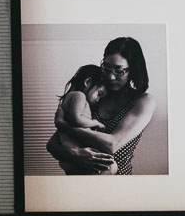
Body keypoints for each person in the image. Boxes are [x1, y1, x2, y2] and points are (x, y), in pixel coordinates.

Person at [46, 37, 158, 175]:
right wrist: (75, 153)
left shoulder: (143, 101)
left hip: (118, 184)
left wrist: (64, 126)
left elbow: (112, 144)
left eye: (119, 71)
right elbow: (52, 145)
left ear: (133, 70)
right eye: (106, 68)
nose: (111, 77)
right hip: (80, 179)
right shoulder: (94, 97)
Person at [54, 64, 108, 135]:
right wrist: (96, 123)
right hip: (73, 143)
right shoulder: (79, 95)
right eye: (99, 94)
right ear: (87, 82)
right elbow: (77, 119)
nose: (98, 100)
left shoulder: (71, 96)